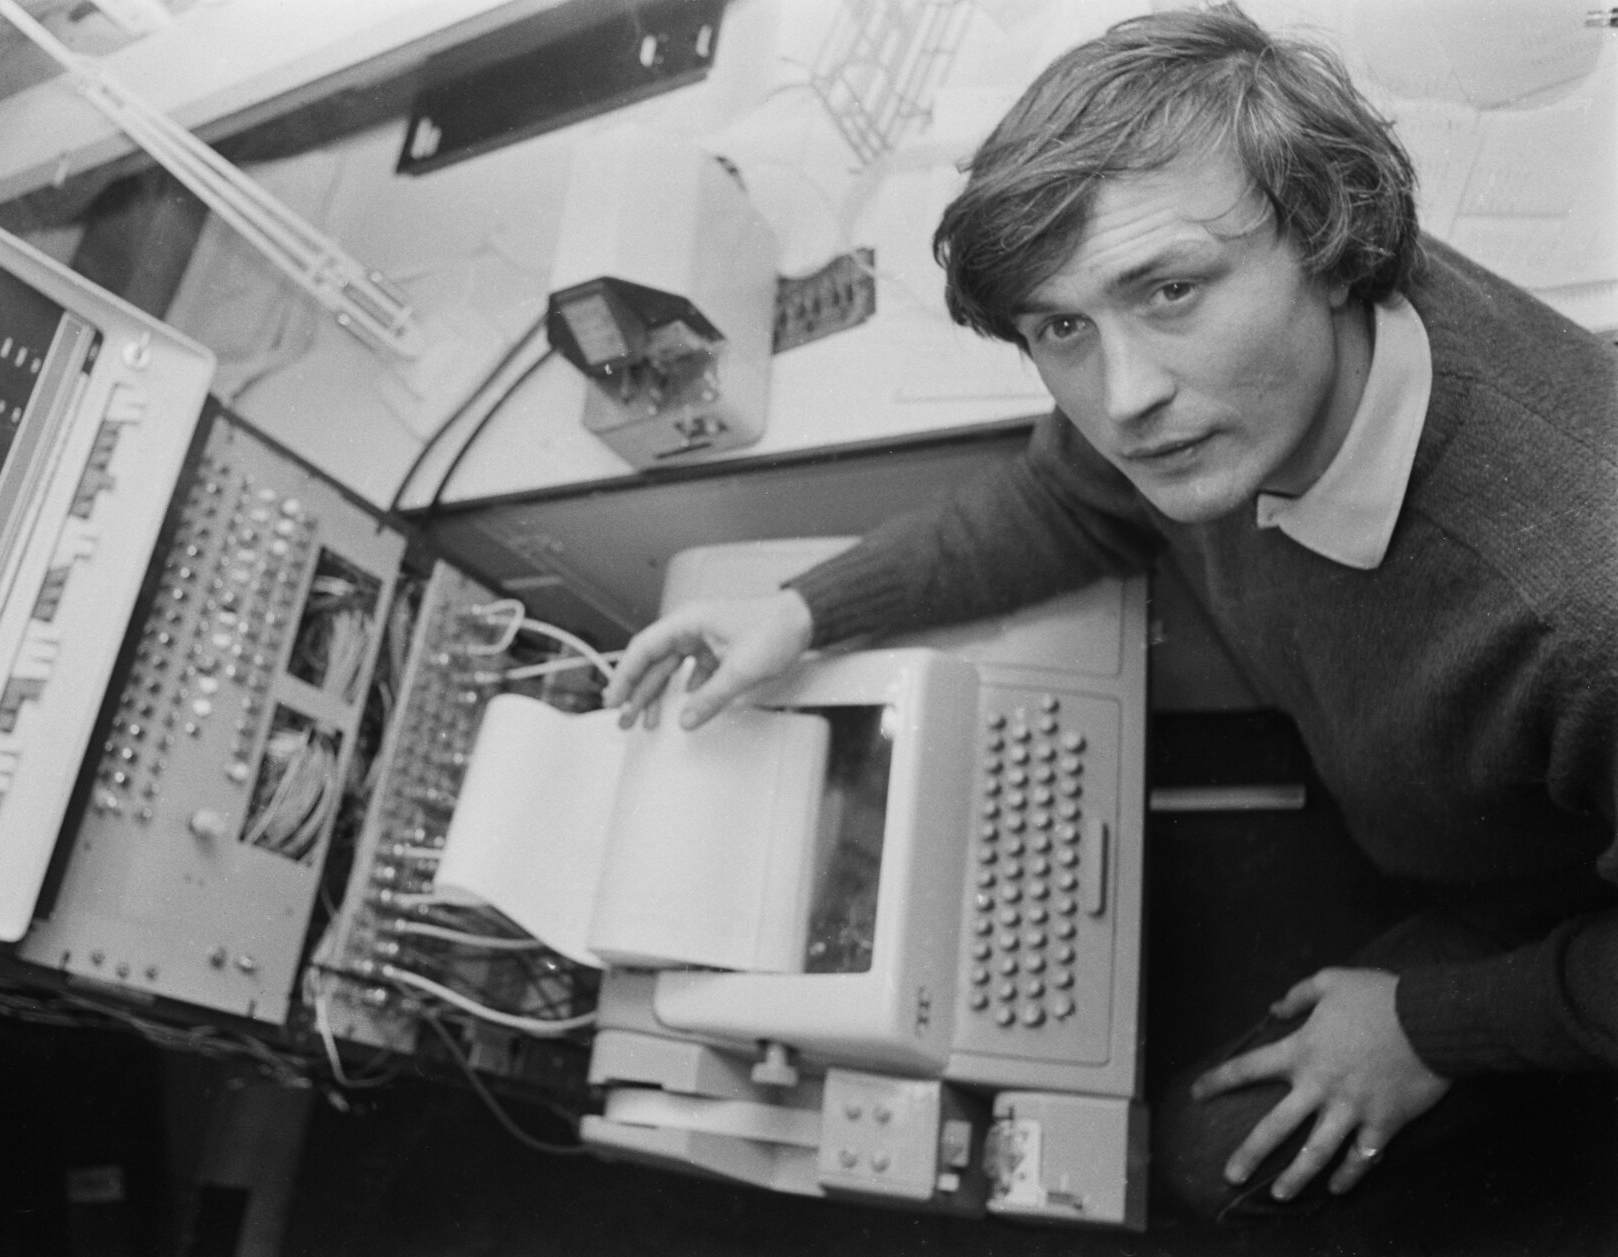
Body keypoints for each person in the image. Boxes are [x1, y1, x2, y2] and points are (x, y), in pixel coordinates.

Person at [601, 2, 1618, 1225]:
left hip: (1547, 895)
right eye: (1063, 328)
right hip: (1424, 812)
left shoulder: (1581, 605)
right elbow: (1067, 495)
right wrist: (807, 609)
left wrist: (1432, 1025)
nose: (1126, 397)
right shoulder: (1237, 385)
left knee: (1203, 1170)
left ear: (1336, 242)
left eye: (1173, 289)